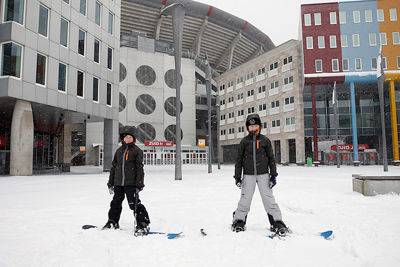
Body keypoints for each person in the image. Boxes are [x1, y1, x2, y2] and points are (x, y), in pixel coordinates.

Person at [232, 114, 287, 234]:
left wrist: (273, 175)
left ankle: (276, 222)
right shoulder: (244, 142)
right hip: (248, 175)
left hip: (263, 175)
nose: (253, 128)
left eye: (256, 125)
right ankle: (239, 220)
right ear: (247, 128)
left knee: (268, 198)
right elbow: (239, 161)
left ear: (260, 126)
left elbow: (271, 158)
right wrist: (237, 177)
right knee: (245, 199)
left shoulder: (265, 141)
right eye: (251, 126)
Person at [103, 126, 150, 235]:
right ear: (122, 138)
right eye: (126, 137)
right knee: (115, 203)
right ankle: (113, 221)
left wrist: (139, 183)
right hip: (119, 183)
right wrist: (111, 182)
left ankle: (143, 223)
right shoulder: (119, 151)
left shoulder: (137, 151)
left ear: (133, 139)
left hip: (131, 183)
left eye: (130, 137)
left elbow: (139, 168)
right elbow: (114, 168)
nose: (127, 139)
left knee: (134, 203)